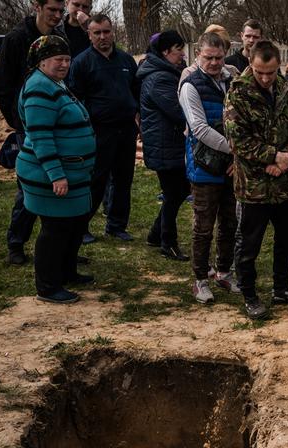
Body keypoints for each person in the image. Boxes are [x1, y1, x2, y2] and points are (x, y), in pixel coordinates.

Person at [225, 40, 288, 319]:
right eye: (260, 71)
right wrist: (274, 156)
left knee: (286, 238)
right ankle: (249, 294)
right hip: (254, 186)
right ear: (251, 63)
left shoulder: (286, 89)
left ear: (278, 67)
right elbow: (239, 142)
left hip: (283, 184)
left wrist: (285, 160)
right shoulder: (238, 93)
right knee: (249, 243)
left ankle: (281, 287)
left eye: (270, 72)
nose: (265, 78)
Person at [16, 35, 96, 303]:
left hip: (73, 172)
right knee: (55, 229)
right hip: (49, 175)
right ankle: (48, 287)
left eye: (67, 59)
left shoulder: (54, 83)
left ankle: (67, 271)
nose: (64, 64)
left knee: (73, 225)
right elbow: (41, 136)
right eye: (57, 59)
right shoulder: (39, 88)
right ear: (41, 61)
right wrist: (56, 174)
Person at [0, 0, 66, 265]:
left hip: (57, 124)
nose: (58, 16)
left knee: (60, 187)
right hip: (29, 127)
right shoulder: (16, 39)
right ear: (37, 6)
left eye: (61, 11)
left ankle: (60, 245)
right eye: (52, 11)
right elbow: (4, 87)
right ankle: (16, 243)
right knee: (29, 187)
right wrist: (20, 123)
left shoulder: (59, 36)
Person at [68, 14, 139, 243]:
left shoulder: (127, 61)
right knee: (95, 181)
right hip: (98, 131)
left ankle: (117, 225)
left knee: (123, 179)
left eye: (106, 31)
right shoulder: (81, 63)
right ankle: (81, 227)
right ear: (89, 35)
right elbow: (74, 99)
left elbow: (135, 93)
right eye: (97, 33)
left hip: (126, 130)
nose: (102, 37)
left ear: (113, 32)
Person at [180, 32, 237, 304]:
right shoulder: (190, 85)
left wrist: (237, 159)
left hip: (231, 166)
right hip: (204, 164)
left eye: (219, 57)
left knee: (230, 220)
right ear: (197, 56)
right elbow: (199, 128)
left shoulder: (232, 80)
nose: (215, 63)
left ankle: (224, 271)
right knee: (204, 225)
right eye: (209, 58)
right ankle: (200, 279)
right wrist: (235, 149)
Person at [138, 30, 190, 261]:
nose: (182, 55)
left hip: (168, 144)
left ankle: (156, 234)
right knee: (174, 192)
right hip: (164, 145)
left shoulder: (167, 73)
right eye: (179, 50)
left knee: (177, 191)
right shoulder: (159, 78)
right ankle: (167, 242)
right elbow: (179, 112)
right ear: (166, 51)